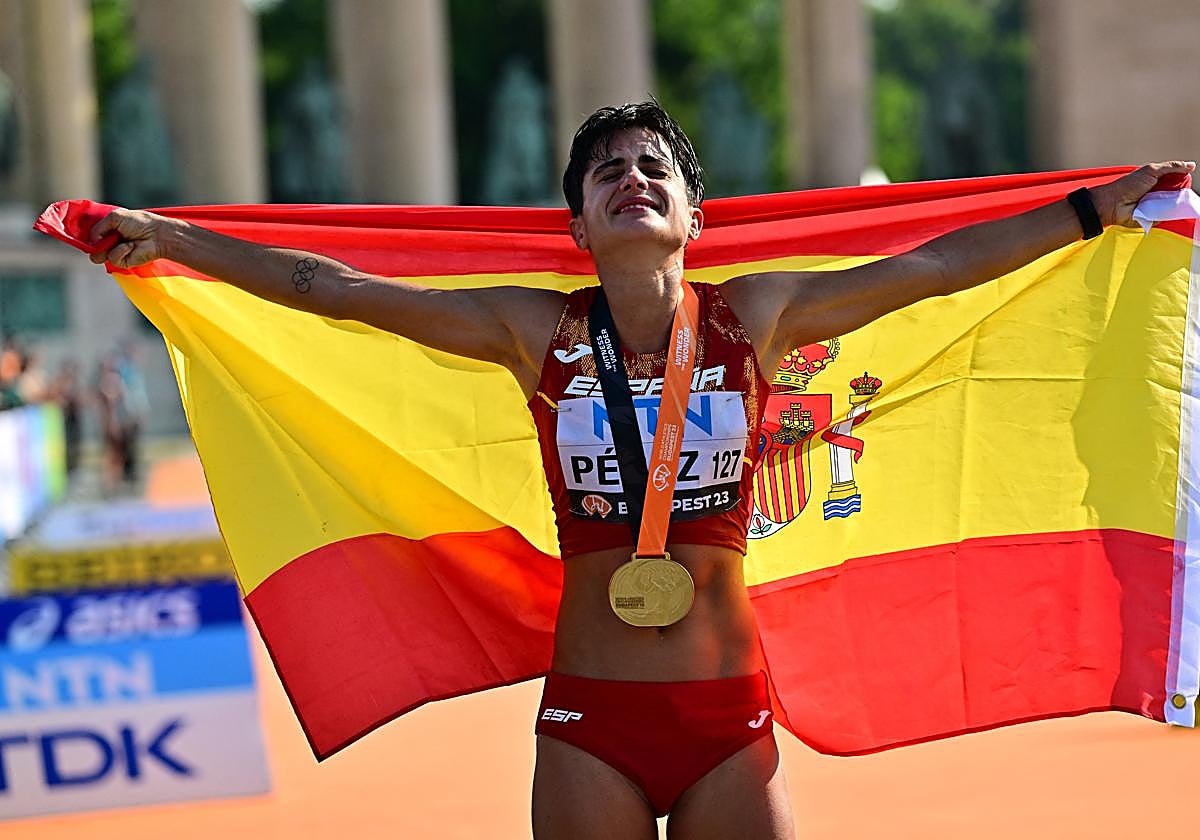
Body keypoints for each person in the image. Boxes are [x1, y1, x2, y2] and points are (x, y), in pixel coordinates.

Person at [85, 101, 1192, 840]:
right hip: (590, 726)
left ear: (692, 217)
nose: (631, 180)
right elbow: (334, 288)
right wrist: (175, 239)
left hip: (730, 724)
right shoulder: (535, 332)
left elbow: (939, 268)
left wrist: (1098, 210)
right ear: (576, 222)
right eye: (606, 173)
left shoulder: (760, 314)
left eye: (653, 168)